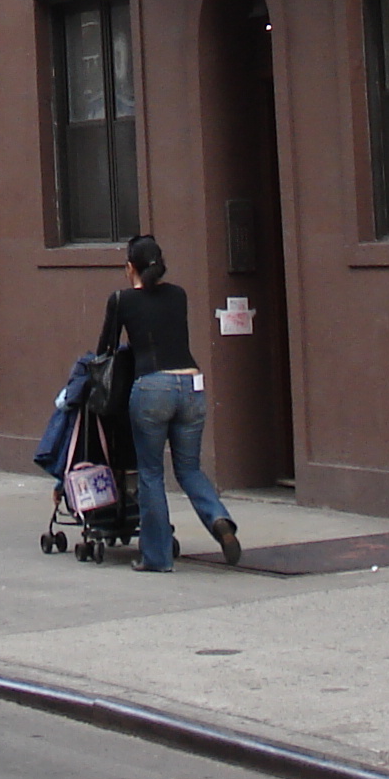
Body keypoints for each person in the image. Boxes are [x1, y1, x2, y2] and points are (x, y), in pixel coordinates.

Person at [96, 236, 242, 573]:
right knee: (189, 468)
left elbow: (105, 350)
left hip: (152, 386)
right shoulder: (178, 295)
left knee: (150, 474)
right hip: (192, 384)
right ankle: (219, 520)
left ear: (129, 267)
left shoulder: (122, 300)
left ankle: (157, 557)